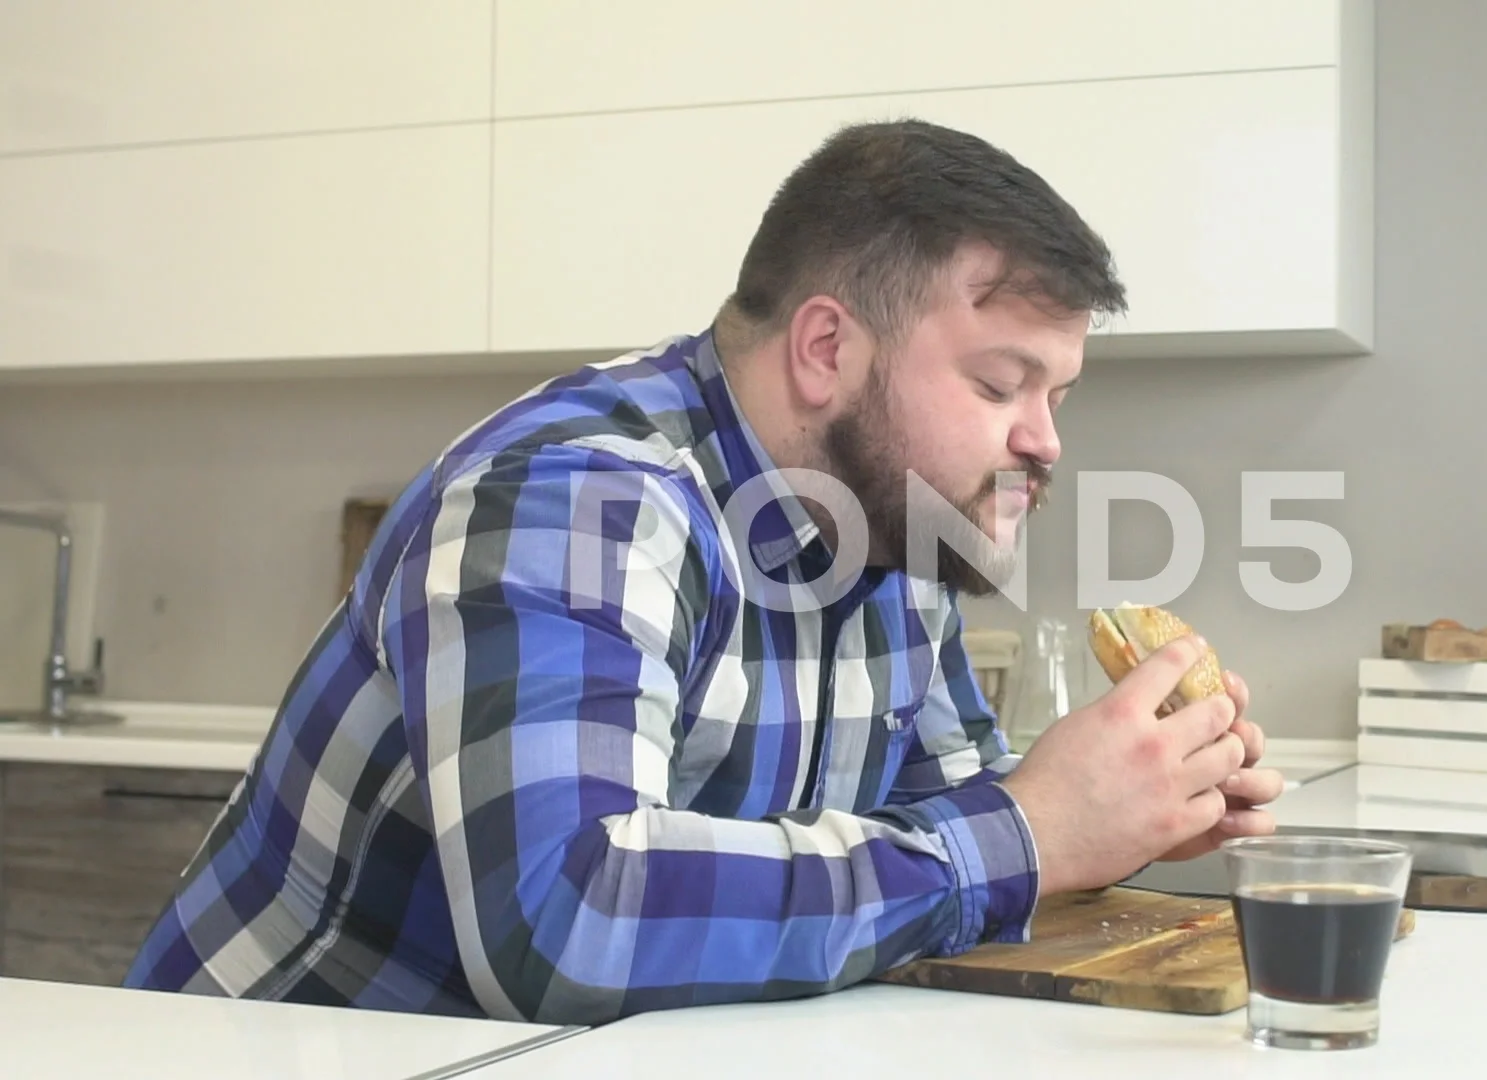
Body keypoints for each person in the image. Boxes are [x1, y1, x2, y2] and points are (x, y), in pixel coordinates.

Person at [122, 118, 1285, 1025]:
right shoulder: (581, 495)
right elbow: (567, 918)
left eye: (1056, 396)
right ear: (828, 349)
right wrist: (1029, 833)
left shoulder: (899, 540)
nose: (1045, 440)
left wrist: (1114, 816)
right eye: (998, 385)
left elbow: (947, 843)